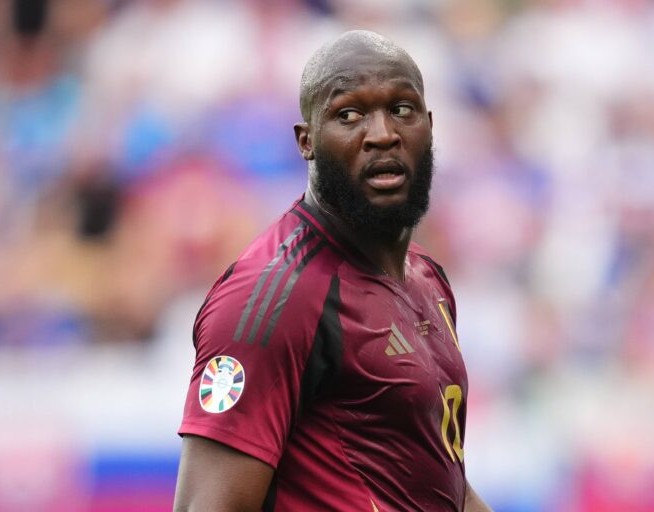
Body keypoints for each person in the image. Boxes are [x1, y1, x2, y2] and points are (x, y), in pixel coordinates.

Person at [173, 30, 491, 512]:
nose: (383, 133)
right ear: (307, 141)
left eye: (402, 109)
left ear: (429, 126)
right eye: (349, 114)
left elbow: (438, 483)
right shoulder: (274, 298)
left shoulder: (428, 278)